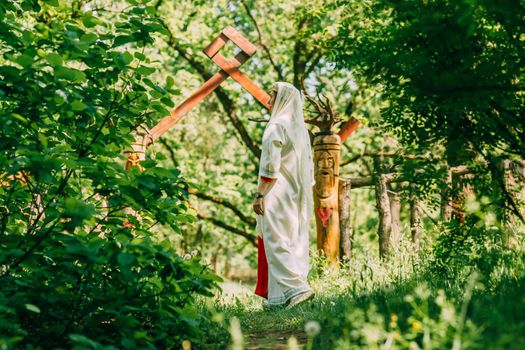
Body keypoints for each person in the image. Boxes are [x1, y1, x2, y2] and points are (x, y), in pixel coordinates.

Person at [253, 82, 315, 309]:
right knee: (290, 240)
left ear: (282, 99)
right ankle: (279, 299)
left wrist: (260, 194)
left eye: (272, 97)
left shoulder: (276, 126)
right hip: (295, 193)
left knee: (275, 240)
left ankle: (296, 288)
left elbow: (270, 166)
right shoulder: (299, 131)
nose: (268, 102)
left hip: (276, 192)